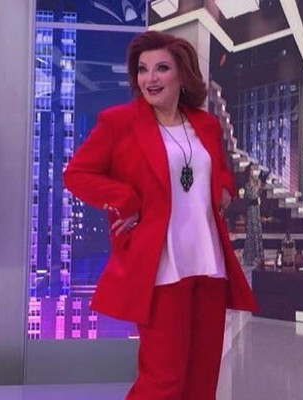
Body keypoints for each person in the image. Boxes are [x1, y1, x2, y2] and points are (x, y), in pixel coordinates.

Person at [63, 31, 257, 400]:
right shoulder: (119, 122)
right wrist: (124, 199)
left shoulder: (206, 124)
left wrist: (224, 188)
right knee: (163, 382)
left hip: (208, 263)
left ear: (182, 75)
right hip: (162, 267)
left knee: (202, 381)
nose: (150, 78)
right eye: (143, 69)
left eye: (161, 68)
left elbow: (219, 169)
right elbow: (76, 174)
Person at [242, 162, 264, 267]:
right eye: (250, 170)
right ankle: (249, 257)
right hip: (251, 210)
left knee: (257, 231)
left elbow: (259, 193)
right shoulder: (247, 185)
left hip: (256, 209)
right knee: (251, 232)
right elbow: (251, 196)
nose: (252, 172)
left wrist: (259, 187)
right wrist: (257, 189)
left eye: (252, 170)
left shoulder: (256, 182)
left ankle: (258, 257)